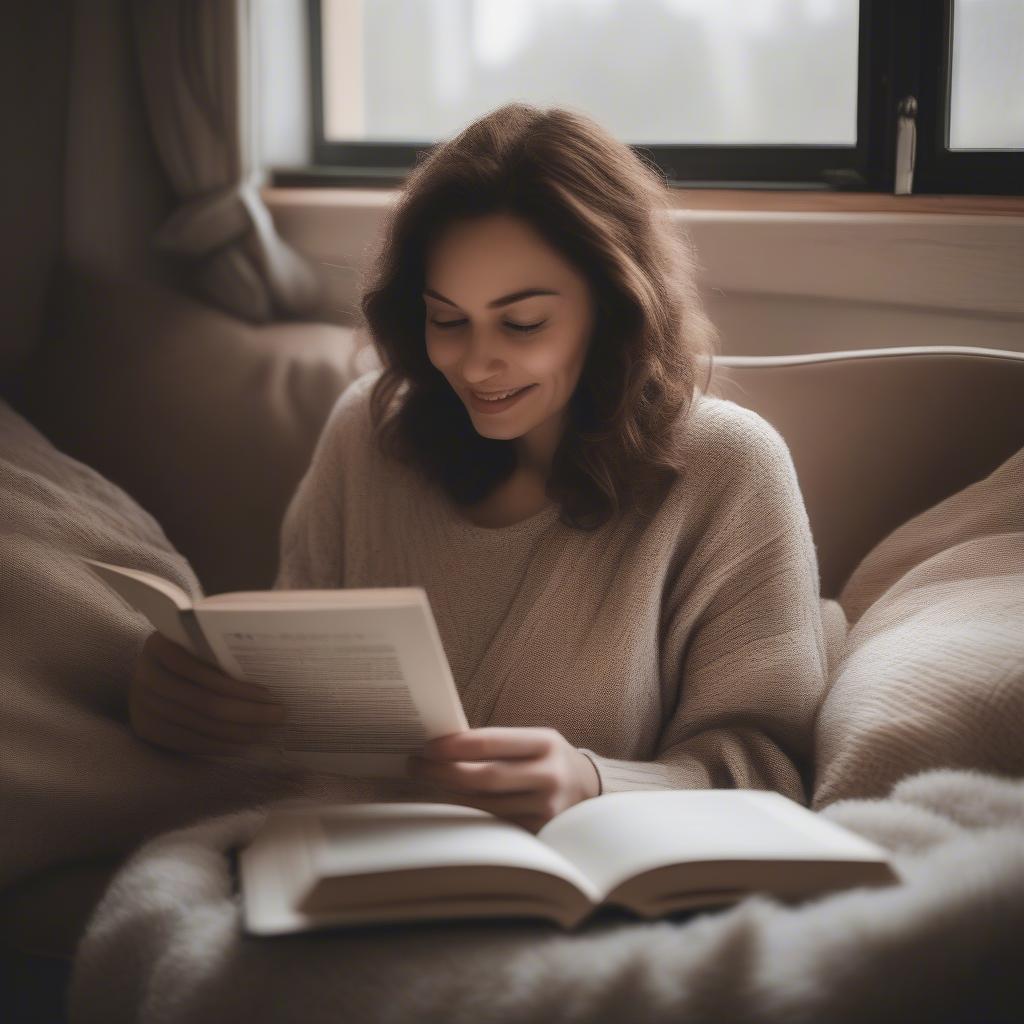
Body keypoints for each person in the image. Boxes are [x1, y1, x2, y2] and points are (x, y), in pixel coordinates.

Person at [130, 102, 830, 833]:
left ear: (613, 304)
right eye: (447, 319)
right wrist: (182, 706)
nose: (477, 363)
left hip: (585, 898)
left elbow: (774, 769)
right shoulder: (370, 438)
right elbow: (293, 726)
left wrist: (595, 783)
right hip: (349, 871)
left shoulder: (727, 469)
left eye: (523, 323)